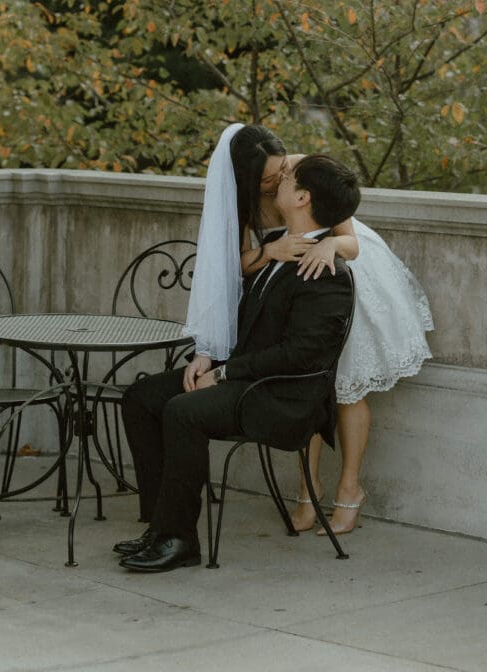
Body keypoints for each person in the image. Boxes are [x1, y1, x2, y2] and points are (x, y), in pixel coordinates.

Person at [183, 123, 433, 537]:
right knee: (306, 385)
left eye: (282, 171)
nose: (278, 180)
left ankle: (349, 490)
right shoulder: (238, 195)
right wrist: (270, 251)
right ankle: (307, 491)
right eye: (268, 178)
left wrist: (329, 246)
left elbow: (349, 241)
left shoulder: (303, 172)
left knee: (346, 386)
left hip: (334, 268)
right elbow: (232, 266)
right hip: (286, 269)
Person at [117, 154, 361, 572]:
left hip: (282, 397)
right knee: (141, 397)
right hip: (245, 376)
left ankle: (180, 540)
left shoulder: (326, 273)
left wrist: (224, 373)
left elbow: (298, 355)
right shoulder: (282, 243)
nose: (279, 181)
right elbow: (238, 317)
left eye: (287, 178)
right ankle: (159, 526)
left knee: (183, 411)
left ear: (302, 197)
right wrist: (206, 357)